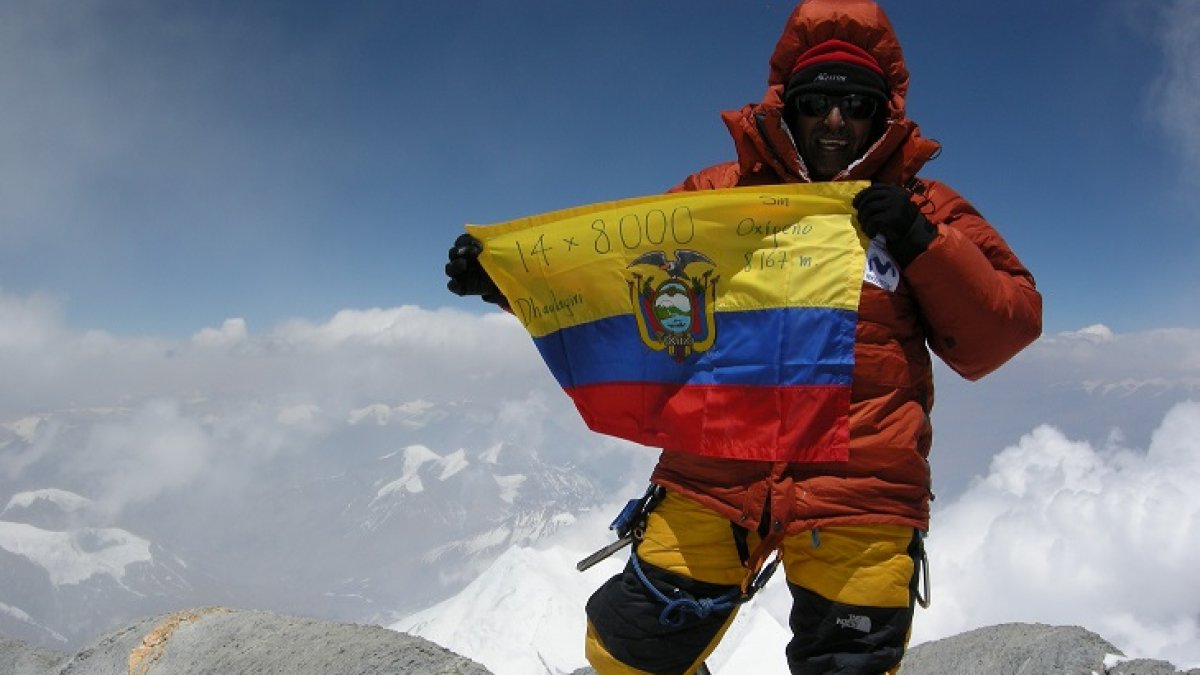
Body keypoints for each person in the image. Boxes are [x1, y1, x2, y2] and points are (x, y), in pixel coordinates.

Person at [446, 0, 1042, 672]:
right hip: (715, 471)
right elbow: (619, 277)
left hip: (861, 487)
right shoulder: (719, 200)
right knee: (623, 653)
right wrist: (513, 281)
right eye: (819, 101)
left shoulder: (923, 208)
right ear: (790, 107)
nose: (836, 121)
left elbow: (1005, 325)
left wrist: (923, 243)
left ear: (886, 115)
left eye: (858, 105)